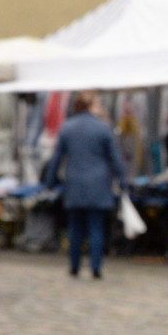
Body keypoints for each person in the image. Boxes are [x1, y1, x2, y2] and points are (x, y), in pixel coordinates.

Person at [44, 90, 127, 279]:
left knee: (75, 228)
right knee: (96, 227)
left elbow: (56, 158)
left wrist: (49, 182)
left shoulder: (67, 127)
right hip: (98, 184)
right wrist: (122, 181)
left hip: (74, 183)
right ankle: (95, 267)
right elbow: (115, 158)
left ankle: (74, 266)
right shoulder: (103, 128)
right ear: (90, 106)